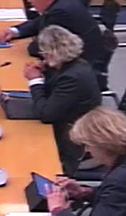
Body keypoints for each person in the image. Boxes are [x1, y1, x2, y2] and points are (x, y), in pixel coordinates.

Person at [0, 0, 107, 87]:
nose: (29, 1)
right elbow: (41, 21)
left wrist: (21, 45)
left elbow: (37, 48)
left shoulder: (61, 11)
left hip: (80, 72)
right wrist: (15, 31)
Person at [24, 26, 101, 175]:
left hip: (72, 141)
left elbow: (46, 115)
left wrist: (35, 81)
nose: (42, 57)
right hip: (67, 125)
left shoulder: (72, 77)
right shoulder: (75, 64)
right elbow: (53, 88)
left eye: (45, 54)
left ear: (52, 53)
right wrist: (45, 69)